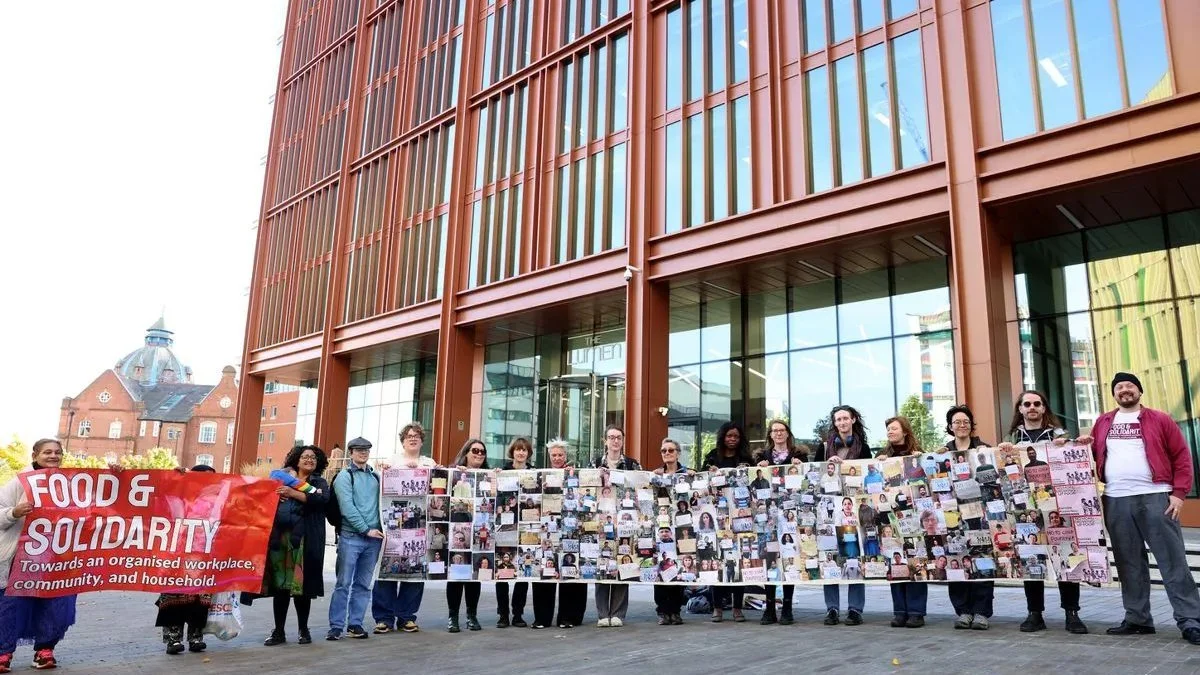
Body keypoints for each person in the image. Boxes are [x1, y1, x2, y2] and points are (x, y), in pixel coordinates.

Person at [1078, 373, 1200, 644]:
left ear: (1139, 391)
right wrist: (1076, 447)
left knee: (1173, 561)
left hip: (1156, 497)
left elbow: (1181, 456)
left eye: (1130, 386)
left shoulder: (1160, 419)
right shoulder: (1103, 422)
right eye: (1119, 387)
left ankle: (1191, 620)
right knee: (1129, 563)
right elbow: (1096, 455)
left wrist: (1179, 494)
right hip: (1115, 499)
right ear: (1114, 394)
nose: (1125, 390)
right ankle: (1137, 619)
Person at [998, 390, 1087, 635]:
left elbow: (1074, 461)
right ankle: (1034, 613)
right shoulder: (1011, 438)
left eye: (1037, 403)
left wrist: (1070, 446)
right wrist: (1004, 452)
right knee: (1031, 558)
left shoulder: (1060, 435)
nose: (1032, 407)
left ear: (1044, 408)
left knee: (1066, 558)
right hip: (1026, 509)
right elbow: (1004, 471)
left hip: (1058, 505)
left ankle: (1072, 613)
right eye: (1027, 404)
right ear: (1020, 409)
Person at [0, 439, 78, 671]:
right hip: (19, 556)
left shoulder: (72, 483)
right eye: (47, 452)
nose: (53, 456)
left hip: (56, 558)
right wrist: (13, 512)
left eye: (57, 452)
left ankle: (45, 650)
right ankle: (3, 653)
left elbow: (104, 501)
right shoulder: (18, 483)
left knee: (55, 604)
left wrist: (117, 476)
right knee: (10, 605)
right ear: (35, 456)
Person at [248, 445, 330, 646]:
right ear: (296, 459)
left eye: (313, 457)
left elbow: (322, 501)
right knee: (281, 587)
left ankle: (303, 629)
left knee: (303, 588)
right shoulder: (280, 478)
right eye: (305, 457)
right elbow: (263, 498)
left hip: (306, 540)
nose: (309, 460)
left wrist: (292, 493)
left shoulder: (320, 482)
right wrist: (277, 495)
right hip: (281, 539)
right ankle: (279, 631)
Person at [371, 423, 436, 635]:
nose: (413, 438)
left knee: (415, 571)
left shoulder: (429, 462)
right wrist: (383, 470)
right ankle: (384, 618)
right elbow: (379, 485)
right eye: (409, 436)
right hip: (393, 525)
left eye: (417, 435)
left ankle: (407, 617)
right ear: (403, 440)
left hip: (419, 525)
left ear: (422, 440)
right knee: (387, 569)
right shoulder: (391, 461)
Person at [154, 464, 218, 655]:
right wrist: (173, 477)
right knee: (174, 597)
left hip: (203, 555)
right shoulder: (177, 496)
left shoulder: (217, 500)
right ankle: (173, 639)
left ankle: (196, 637)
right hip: (176, 556)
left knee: (200, 599)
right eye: (203, 477)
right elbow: (158, 496)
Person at [942, 405, 994, 630]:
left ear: (971, 425)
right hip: (953, 514)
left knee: (982, 559)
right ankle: (963, 611)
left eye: (965, 421)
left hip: (979, 514)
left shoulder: (983, 450)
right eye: (957, 422)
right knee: (958, 560)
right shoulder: (942, 453)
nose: (961, 425)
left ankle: (981, 612)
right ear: (950, 427)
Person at [326, 436, 383, 641]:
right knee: (343, 583)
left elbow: (382, 505)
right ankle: (336, 626)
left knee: (363, 585)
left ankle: (355, 624)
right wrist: (365, 529)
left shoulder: (375, 477)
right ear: (351, 453)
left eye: (366, 450)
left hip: (374, 539)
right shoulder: (344, 476)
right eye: (359, 450)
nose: (363, 453)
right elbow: (347, 508)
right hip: (351, 536)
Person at [531, 439, 587, 629]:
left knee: (570, 571)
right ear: (549, 456)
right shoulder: (542, 475)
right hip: (548, 529)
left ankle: (568, 617)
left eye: (560, 455)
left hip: (570, 528)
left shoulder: (574, 474)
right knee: (546, 572)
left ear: (565, 456)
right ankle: (542, 618)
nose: (557, 458)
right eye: (553, 455)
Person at [754, 419, 805, 625]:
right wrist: (758, 468)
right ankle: (768, 608)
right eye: (774, 431)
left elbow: (804, 481)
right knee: (770, 558)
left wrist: (800, 467)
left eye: (782, 430)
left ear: (787, 433)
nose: (778, 434)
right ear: (770, 435)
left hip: (790, 514)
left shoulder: (798, 456)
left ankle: (787, 607)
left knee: (789, 558)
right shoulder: (762, 457)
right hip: (769, 517)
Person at [879, 417, 928, 628]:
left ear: (905, 431)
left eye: (894, 428)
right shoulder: (883, 456)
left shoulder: (918, 455)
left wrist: (922, 459)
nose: (890, 431)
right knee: (895, 562)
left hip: (914, 519)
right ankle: (900, 611)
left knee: (915, 561)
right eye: (888, 428)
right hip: (892, 519)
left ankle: (916, 612)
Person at [703, 421, 752, 622]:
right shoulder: (712, 456)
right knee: (718, 560)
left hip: (740, 516)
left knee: (738, 560)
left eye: (736, 436)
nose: (732, 439)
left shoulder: (746, 458)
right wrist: (710, 472)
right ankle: (717, 607)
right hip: (717, 516)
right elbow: (700, 480)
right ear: (723, 437)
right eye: (729, 436)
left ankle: (738, 607)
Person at [592, 425, 639, 627]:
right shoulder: (594, 463)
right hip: (602, 518)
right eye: (611, 437)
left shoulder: (631, 463)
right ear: (605, 441)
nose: (615, 441)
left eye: (618, 437)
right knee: (602, 565)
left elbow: (640, 488)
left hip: (625, 519)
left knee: (623, 563)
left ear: (623, 440)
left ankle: (619, 613)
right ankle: (603, 613)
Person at [447, 439, 490, 633]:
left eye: (482, 451)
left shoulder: (487, 476)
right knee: (456, 575)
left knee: (474, 576)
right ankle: (453, 617)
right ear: (466, 452)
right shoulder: (453, 473)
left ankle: (471, 615)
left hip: (479, 528)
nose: (479, 454)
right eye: (475, 450)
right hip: (458, 527)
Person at [496, 437, 533, 628]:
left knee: (522, 574)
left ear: (528, 453)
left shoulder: (533, 473)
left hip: (525, 527)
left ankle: (518, 614)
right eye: (518, 449)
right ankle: (503, 614)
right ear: (513, 452)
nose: (521, 453)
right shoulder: (502, 471)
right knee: (502, 572)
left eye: (524, 450)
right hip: (505, 528)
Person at [652, 438, 689, 625]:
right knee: (661, 567)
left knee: (678, 568)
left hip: (681, 527)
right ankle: (662, 611)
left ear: (678, 453)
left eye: (671, 450)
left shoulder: (687, 474)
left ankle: (675, 610)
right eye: (664, 451)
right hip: (662, 527)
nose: (667, 453)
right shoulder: (657, 476)